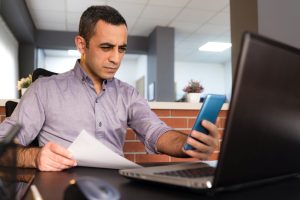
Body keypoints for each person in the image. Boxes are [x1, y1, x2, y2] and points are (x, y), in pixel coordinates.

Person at [0, 5, 219, 171]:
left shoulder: (128, 94)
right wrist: (35, 157)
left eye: (121, 49)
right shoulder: (44, 89)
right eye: (106, 47)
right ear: (81, 45)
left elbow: (157, 132)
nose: (116, 58)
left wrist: (188, 144)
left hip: (115, 190)